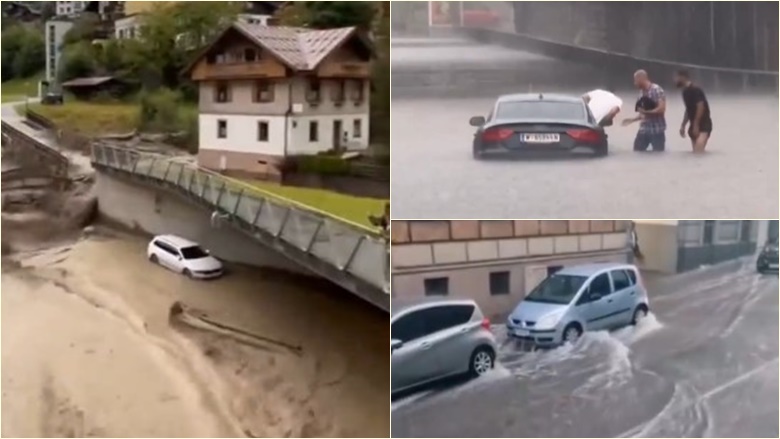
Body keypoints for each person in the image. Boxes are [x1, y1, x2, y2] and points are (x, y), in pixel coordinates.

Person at [621, 70, 667, 152]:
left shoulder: (656, 90)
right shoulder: (641, 93)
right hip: (644, 130)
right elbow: (642, 114)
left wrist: (647, 112)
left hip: (657, 130)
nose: (634, 83)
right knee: (637, 153)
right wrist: (632, 120)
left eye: (635, 80)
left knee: (658, 156)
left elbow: (661, 109)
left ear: (641, 78)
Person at [674, 69, 712, 154]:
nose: (675, 80)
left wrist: (696, 124)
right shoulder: (684, 92)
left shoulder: (695, 89)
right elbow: (688, 109)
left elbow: (701, 106)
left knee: (699, 151)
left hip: (704, 125)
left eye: (676, 78)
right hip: (693, 124)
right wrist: (683, 125)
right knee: (695, 154)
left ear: (682, 77)